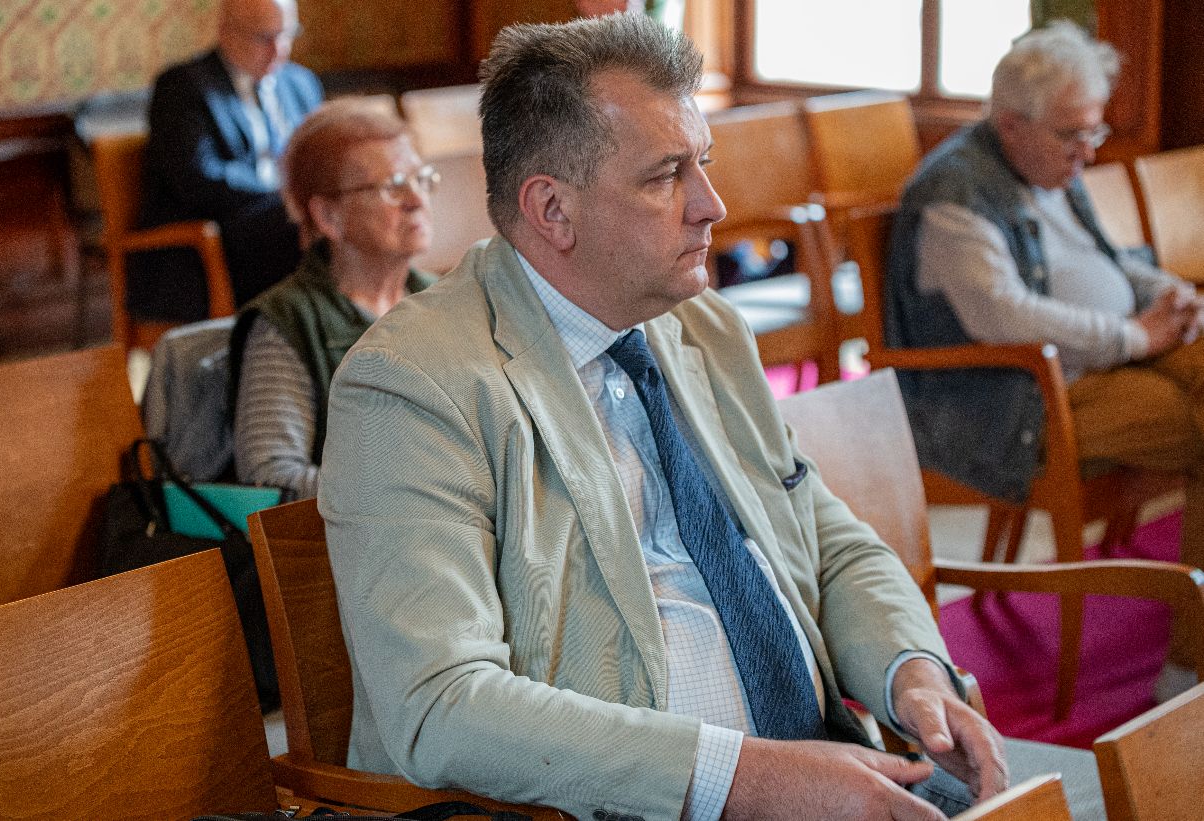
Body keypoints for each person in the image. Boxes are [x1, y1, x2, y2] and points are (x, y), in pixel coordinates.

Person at [320, 14, 1007, 821]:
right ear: (553, 209)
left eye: (701, 163)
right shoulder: (414, 382)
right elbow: (442, 703)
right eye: (665, 176)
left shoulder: (701, 326)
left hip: (814, 762)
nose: (712, 205)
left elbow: (820, 537)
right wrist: (750, 779)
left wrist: (910, 671)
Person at [888, 24, 1204, 571]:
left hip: (1101, 359)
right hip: (1020, 401)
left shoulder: (1052, 163)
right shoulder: (954, 194)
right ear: (1011, 125)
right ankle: (1192, 622)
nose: (1088, 150)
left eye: (1095, 130)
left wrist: (1166, 291)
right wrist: (1132, 337)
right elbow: (1005, 317)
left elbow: (1105, 258)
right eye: (1072, 134)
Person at [228, 98, 437, 499]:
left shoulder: (444, 299)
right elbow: (271, 478)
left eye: (421, 179)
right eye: (393, 186)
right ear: (327, 217)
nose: (416, 200)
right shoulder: (287, 321)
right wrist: (410, 495)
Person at [132, 0, 323, 323]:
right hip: (215, 239)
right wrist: (284, 193)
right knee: (306, 218)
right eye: (264, 37)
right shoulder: (183, 87)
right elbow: (198, 178)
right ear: (226, 32)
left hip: (280, 225)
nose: (278, 50)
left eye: (286, 35)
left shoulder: (300, 84)